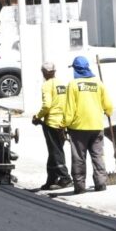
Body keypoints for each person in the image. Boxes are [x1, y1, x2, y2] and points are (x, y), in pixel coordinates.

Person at [62, 56, 113, 194]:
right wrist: (107, 112)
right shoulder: (99, 83)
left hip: (78, 128)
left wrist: (64, 124)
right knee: (97, 155)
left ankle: (79, 186)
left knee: (79, 157)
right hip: (97, 126)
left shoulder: (73, 85)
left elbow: (70, 109)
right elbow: (108, 106)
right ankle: (101, 183)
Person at [32, 62, 73, 190]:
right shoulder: (62, 84)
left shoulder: (46, 85)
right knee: (53, 151)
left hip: (52, 123)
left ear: (44, 73)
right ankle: (51, 179)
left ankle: (65, 178)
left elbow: (47, 105)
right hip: (62, 122)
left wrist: (37, 117)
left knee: (56, 151)